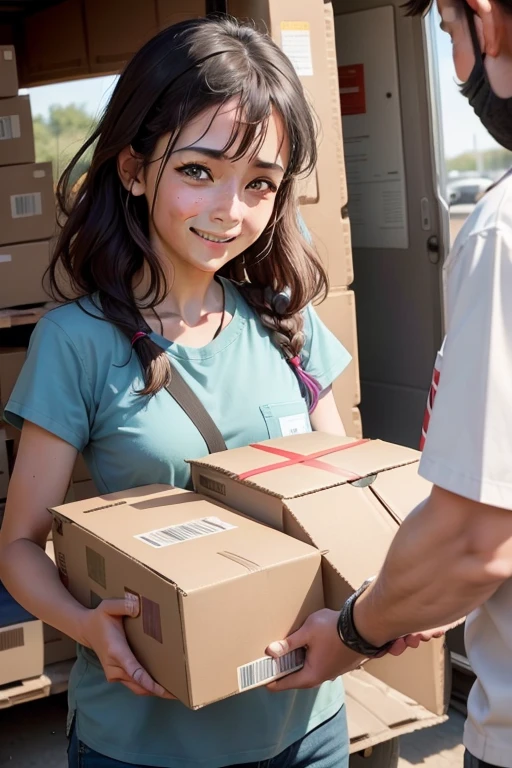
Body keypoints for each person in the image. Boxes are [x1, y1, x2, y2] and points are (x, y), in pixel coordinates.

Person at [0, 17, 353, 768]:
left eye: (259, 182)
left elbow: (341, 505)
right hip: (146, 739)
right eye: (199, 171)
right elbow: (20, 548)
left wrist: (382, 605)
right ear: (133, 168)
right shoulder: (77, 341)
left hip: (307, 725)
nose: (231, 209)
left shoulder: (288, 322)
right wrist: (86, 623)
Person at [266, 2, 512, 767]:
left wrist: (356, 630)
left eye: (447, 36)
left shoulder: (504, 235)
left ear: (485, 20)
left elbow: (475, 542)